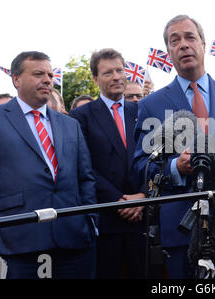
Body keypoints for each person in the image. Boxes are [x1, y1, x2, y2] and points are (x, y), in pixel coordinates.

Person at [132, 15, 215, 279]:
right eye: (175, 40)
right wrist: (174, 167)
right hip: (180, 231)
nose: (183, 45)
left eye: (190, 37)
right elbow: (141, 167)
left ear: (203, 44)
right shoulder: (152, 105)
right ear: (168, 52)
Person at [0, 51, 98, 279]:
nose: (48, 80)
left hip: (74, 241)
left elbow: (85, 179)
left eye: (50, 74)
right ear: (16, 79)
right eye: (38, 73)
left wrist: (90, 224)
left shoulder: (70, 125)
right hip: (17, 241)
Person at [69, 48, 147, 279]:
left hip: (142, 217)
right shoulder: (81, 116)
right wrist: (118, 201)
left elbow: (155, 157)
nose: (116, 77)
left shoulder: (142, 111)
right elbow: (83, 166)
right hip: (107, 218)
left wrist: (143, 196)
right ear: (95, 79)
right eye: (107, 72)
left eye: (119, 70)